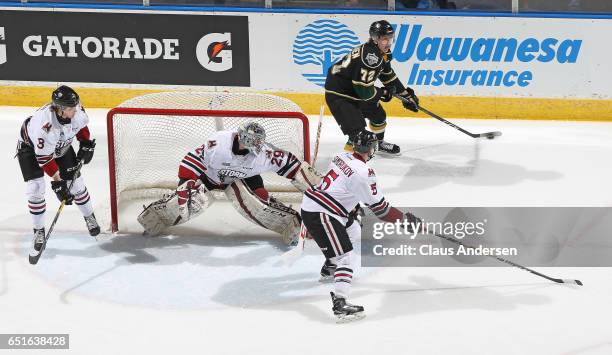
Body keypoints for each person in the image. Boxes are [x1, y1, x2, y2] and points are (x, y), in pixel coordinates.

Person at [300, 129, 422, 322]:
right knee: (347, 258)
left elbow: (342, 187)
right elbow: (381, 210)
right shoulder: (364, 172)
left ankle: (330, 266)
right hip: (322, 213)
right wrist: (405, 220)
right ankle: (340, 302)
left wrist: (354, 206)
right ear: (371, 149)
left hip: (320, 205)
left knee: (354, 229)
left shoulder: (341, 156)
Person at [137, 122, 321, 244]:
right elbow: (190, 160)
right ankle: (158, 216)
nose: (257, 149)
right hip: (211, 175)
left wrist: (317, 188)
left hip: (245, 177)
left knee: (259, 203)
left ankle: (292, 223)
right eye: (254, 144)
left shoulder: (264, 153)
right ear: (243, 140)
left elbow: (293, 166)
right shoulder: (218, 144)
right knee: (188, 202)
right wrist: (185, 184)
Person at [16, 85, 99, 254]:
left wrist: (84, 142)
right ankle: (38, 230)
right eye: (71, 108)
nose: (76, 110)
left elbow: (80, 125)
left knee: (76, 183)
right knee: (36, 188)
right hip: (31, 149)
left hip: (60, 145)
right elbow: (45, 159)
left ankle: (89, 216)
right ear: (60, 109)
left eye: (76, 106)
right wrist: (58, 183)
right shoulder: (43, 127)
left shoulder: (74, 110)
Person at [324, 20, 420, 156]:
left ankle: (379, 143)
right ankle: (348, 162)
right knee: (358, 136)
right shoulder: (371, 58)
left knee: (378, 116)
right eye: (384, 39)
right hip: (340, 93)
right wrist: (382, 93)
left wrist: (406, 95)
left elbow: (388, 76)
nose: (388, 43)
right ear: (375, 39)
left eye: (390, 39)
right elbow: (364, 91)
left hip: (354, 89)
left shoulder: (381, 53)